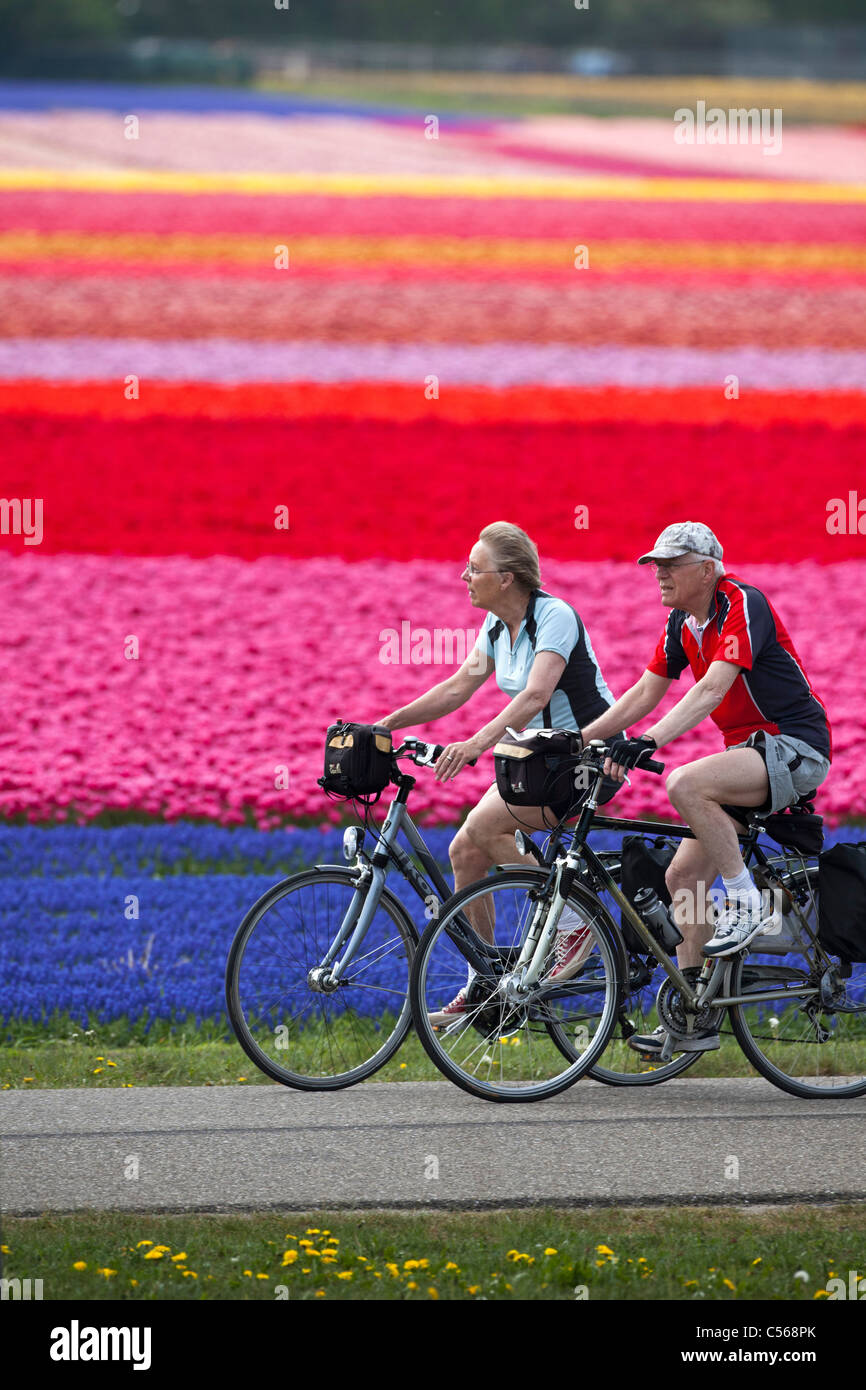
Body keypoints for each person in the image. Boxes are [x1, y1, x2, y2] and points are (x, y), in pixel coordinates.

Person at [579, 521, 831, 1055]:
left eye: (671, 564)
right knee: (683, 875)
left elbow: (715, 687)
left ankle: (746, 902)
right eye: (655, 565)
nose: (660, 574)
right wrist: (579, 738)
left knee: (685, 783)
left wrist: (646, 742)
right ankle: (694, 1015)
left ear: (707, 567)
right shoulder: (680, 622)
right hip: (748, 755)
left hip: (793, 746)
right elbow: (646, 689)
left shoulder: (742, 601)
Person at [377, 520, 620, 1015]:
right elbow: (456, 688)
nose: (463, 576)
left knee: (484, 827)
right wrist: (388, 723)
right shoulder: (495, 626)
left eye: (473, 568)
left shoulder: (555, 617)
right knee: (465, 849)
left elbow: (537, 693)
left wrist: (475, 743)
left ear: (506, 577)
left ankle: (574, 921)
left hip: (587, 757)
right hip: (537, 757)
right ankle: (485, 979)